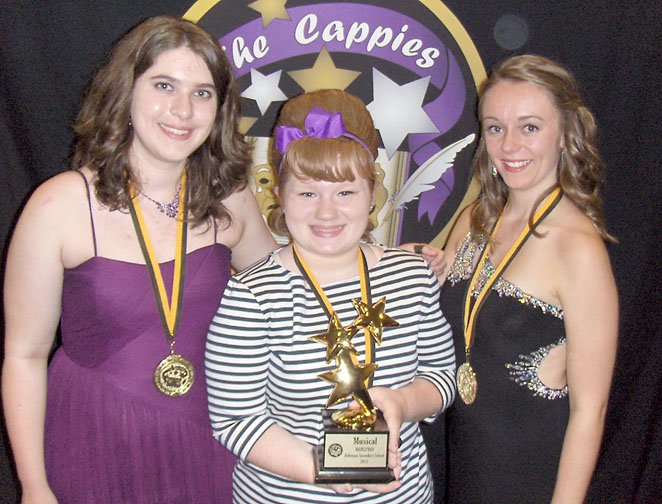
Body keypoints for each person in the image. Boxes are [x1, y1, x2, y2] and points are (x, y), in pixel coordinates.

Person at [1, 15, 278, 503]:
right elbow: (24, 355)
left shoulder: (228, 198)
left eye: (202, 93)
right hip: (92, 440)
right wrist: (34, 485)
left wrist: (381, 260)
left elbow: (286, 283)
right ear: (126, 91)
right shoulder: (59, 205)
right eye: (164, 85)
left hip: (206, 439)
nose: (182, 110)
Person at [205, 89, 457, 503]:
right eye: (307, 193)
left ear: (373, 192)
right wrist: (320, 470)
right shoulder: (250, 297)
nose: (326, 212)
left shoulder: (414, 276)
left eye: (345, 192)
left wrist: (401, 403)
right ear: (280, 194)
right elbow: (236, 420)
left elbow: (441, 376)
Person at [436, 54, 618, 503]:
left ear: (564, 135)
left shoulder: (579, 249)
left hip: (527, 477)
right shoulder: (474, 219)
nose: (509, 144)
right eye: (495, 127)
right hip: (457, 464)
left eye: (530, 127)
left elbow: (589, 411)